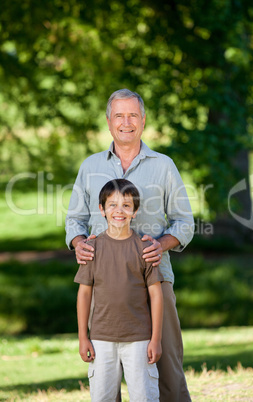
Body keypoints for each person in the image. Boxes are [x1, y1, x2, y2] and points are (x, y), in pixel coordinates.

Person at [66, 88, 194, 401]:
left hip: (154, 279)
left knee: (167, 364)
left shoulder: (163, 165)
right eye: (119, 115)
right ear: (109, 122)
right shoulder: (90, 166)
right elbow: (74, 220)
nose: (126, 122)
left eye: (133, 115)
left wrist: (161, 244)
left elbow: (185, 222)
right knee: (106, 369)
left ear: (143, 120)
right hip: (103, 284)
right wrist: (78, 241)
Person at [74, 178, 163, 401]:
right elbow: (84, 294)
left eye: (126, 205)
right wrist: (83, 337)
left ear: (135, 211)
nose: (119, 211)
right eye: (112, 205)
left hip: (139, 339)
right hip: (101, 339)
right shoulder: (91, 248)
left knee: (144, 396)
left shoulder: (145, 248)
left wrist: (156, 339)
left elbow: (156, 295)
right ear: (101, 209)